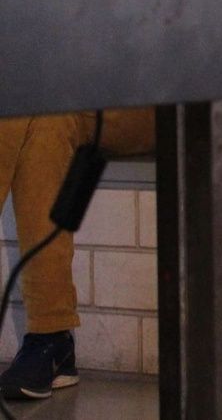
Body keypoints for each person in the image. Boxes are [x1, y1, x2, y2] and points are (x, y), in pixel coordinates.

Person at [0, 110, 154, 401]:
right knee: (42, 123)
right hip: (69, 102)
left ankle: (51, 337)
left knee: (18, 109)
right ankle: (51, 337)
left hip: (155, 103)